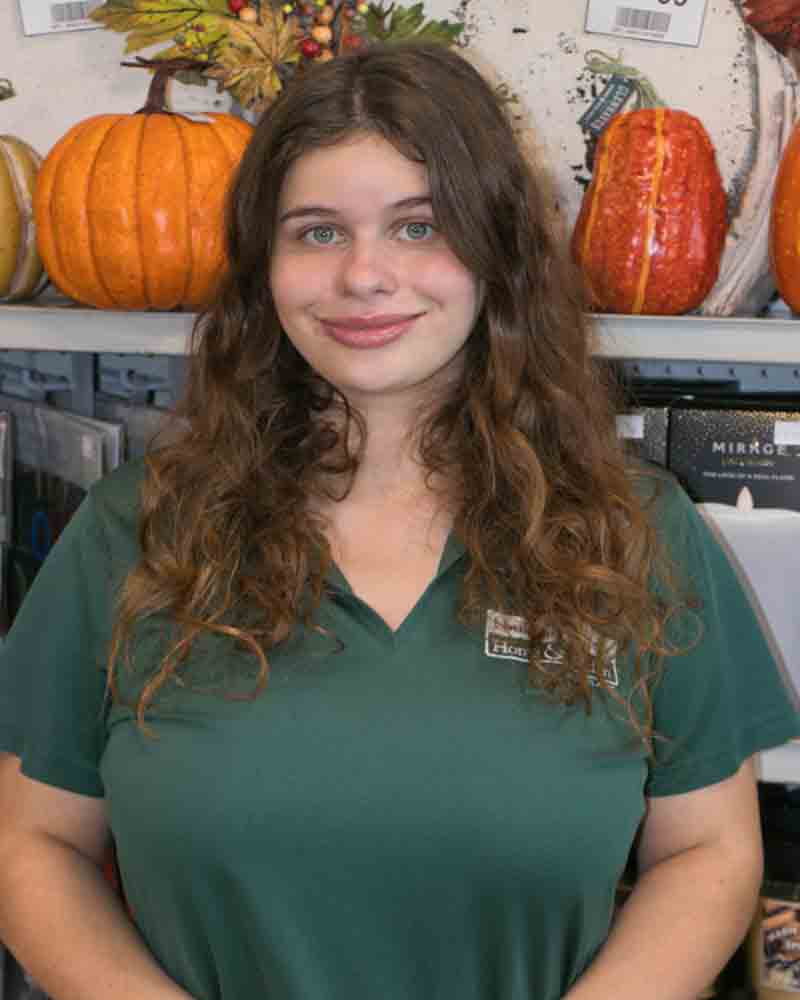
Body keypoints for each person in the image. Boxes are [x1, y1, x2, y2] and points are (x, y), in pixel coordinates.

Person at [0, 39, 797, 1000]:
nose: (366, 276)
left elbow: (707, 851)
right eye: (318, 232)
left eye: (419, 227)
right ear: (264, 268)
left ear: (497, 251)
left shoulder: (635, 532)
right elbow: (32, 842)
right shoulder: (137, 531)